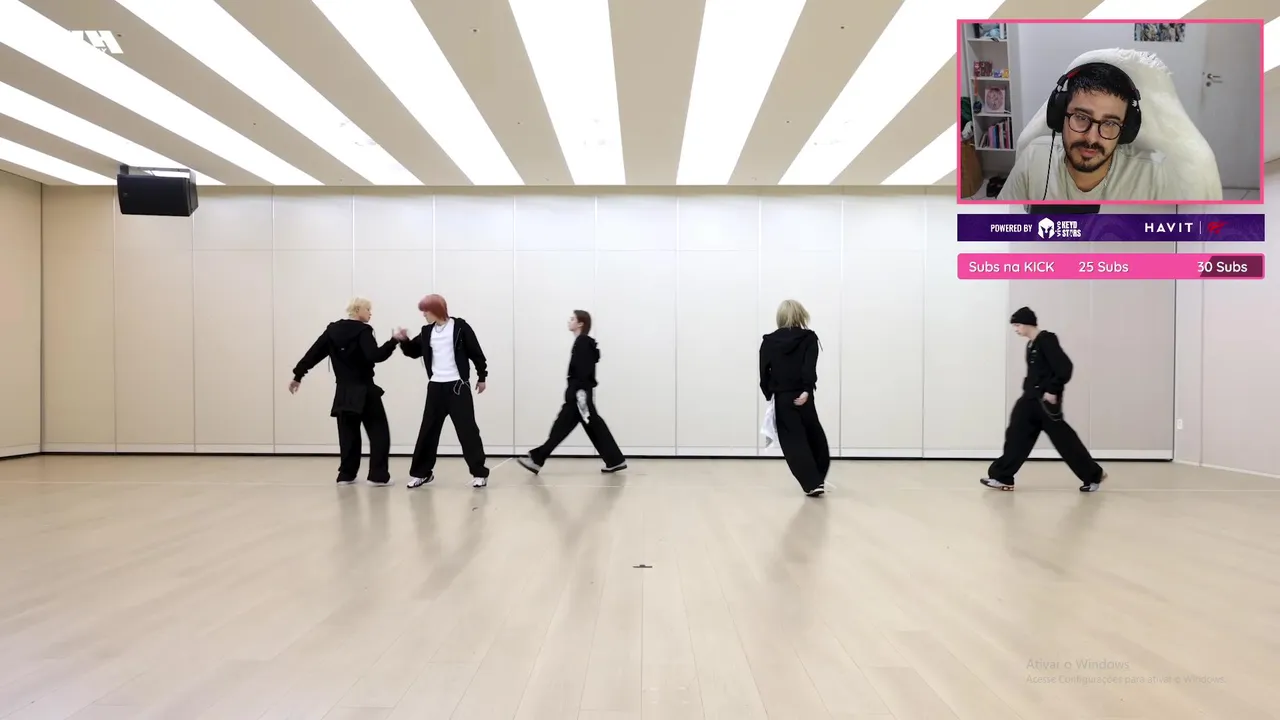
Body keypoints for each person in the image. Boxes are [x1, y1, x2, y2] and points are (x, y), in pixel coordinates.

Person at [998, 62, 1176, 202]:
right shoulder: (1034, 159)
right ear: (1060, 116)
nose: (1091, 138)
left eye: (1109, 123)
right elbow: (996, 228)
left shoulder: (1153, 175)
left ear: (1126, 129)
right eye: (1081, 117)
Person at [982, 307, 1108, 492]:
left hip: (1045, 403)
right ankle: (1003, 477)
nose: (1015, 329)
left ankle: (1094, 475)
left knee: (1065, 441)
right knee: (1016, 436)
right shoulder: (1031, 344)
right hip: (1030, 399)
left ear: (1027, 323)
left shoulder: (1046, 340)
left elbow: (1065, 367)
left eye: (1017, 325)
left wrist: (1052, 390)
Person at [289, 297, 398, 485]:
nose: (370, 313)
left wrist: (298, 375)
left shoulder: (332, 331)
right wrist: (394, 341)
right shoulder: (363, 331)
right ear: (358, 310)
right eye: (368, 309)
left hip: (344, 392)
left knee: (348, 435)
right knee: (379, 432)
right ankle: (378, 476)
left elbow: (314, 353)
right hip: (364, 389)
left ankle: (346, 475)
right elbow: (375, 355)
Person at [394, 293, 491, 489]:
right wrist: (403, 340)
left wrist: (482, 376)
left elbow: (476, 353)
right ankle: (421, 473)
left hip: (458, 387)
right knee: (428, 430)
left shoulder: (460, 327)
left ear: (436, 310)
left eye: (426, 311)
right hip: (436, 387)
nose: (424, 315)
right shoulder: (427, 331)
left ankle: (479, 473)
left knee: (467, 430)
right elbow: (414, 351)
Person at [516, 310, 627, 476]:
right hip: (580, 393)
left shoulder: (582, 342)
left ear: (580, 323)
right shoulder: (583, 342)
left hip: (578, 394)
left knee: (562, 427)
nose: (569, 321)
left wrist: (579, 394)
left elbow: (583, 370)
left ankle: (537, 459)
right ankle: (615, 460)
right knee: (593, 426)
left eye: (572, 319)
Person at [759, 299, 830, 497]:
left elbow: (764, 372)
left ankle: (811, 482)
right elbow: (809, 367)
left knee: (792, 441)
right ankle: (817, 479)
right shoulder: (809, 338)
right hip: (804, 396)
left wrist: (769, 392)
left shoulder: (769, 342)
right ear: (801, 314)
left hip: (783, 396)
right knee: (814, 436)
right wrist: (806, 391)